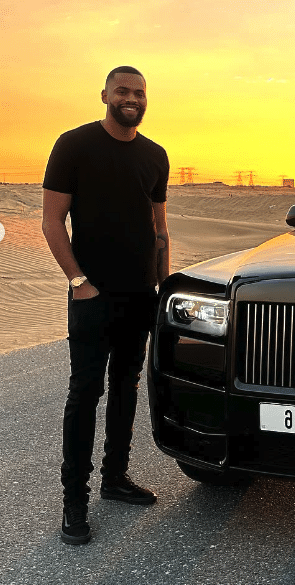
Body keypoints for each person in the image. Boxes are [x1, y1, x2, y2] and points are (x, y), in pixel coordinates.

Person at [42, 66, 170, 545]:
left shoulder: (155, 155)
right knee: (85, 393)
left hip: (140, 294)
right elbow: (52, 221)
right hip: (91, 293)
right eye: (123, 91)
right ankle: (73, 500)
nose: (131, 98)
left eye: (139, 92)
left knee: (127, 386)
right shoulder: (74, 145)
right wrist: (78, 282)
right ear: (105, 95)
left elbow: (159, 230)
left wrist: (162, 289)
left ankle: (115, 478)